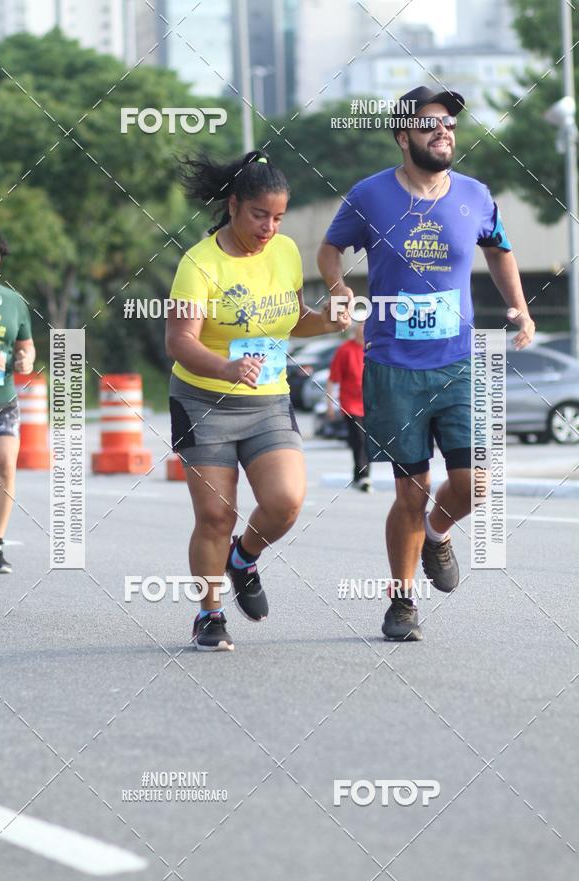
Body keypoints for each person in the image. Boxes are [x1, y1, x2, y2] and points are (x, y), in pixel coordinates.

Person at [317, 85, 535, 642]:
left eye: (451, 125)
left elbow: (499, 248)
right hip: (393, 365)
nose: (445, 132)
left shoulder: (475, 195)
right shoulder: (369, 196)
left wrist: (520, 307)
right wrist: (339, 287)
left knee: (474, 483)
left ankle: (439, 532)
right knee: (409, 491)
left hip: (459, 363)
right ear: (403, 135)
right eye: (432, 124)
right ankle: (402, 601)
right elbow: (329, 248)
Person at [166, 149, 350, 651]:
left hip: (267, 399)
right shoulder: (199, 264)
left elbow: (293, 319)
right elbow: (180, 340)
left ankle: (243, 558)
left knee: (285, 502)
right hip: (203, 401)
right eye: (258, 215)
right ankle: (209, 614)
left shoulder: (286, 252)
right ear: (232, 207)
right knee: (214, 517)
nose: (269, 227)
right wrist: (225, 367)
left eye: (278, 217)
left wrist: (329, 318)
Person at [0, 225, 35, 574]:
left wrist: (26, 358)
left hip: (1, 398)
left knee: (5, 467)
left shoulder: (13, 301)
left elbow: (24, 344)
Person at [326, 322, 371, 492]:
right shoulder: (345, 350)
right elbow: (332, 379)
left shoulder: (374, 349)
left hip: (370, 404)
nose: (362, 328)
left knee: (367, 442)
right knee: (358, 440)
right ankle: (363, 476)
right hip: (350, 404)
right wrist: (329, 405)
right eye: (360, 325)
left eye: (365, 325)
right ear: (354, 329)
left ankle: (361, 475)